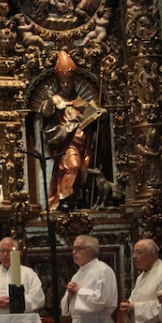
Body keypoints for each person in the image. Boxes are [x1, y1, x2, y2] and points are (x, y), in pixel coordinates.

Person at [41, 51, 106, 211]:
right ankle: (64, 198)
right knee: (73, 167)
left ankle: (75, 199)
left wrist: (101, 114)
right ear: (58, 82)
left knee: (83, 172)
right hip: (68, 143)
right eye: (63, 82)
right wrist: (50, 103)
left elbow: (94, 114)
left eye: (68, 82)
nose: (66, 85)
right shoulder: (56, 100)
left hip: (84, 143)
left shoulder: (80, 101)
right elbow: (46, 113)